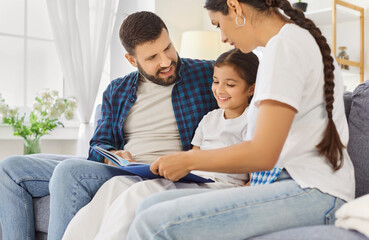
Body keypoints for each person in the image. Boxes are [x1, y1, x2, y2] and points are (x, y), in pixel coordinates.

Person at [126, 0, 355, 239]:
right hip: (294, 185)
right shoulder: (284, 44)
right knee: (148, 206)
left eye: (217, 24)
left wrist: (189, 160)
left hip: (314, 190)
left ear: (235, 7)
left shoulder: (286, 47)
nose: (223, 37)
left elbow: (263, 154)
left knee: (155, 223)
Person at [0, 11, 219, 240]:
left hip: (163, 172)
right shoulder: (117, 90)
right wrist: (113, 153)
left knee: (69, 171)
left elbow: (247, 94)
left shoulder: (208, 75)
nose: (166, 62)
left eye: (168, 48)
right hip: (124, 168)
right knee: (9, 168)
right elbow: (97, 145)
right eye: (152, 57)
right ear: (132, 60)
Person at [62, 49, 261, 240]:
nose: (219, 90)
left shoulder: (251, 120)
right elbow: (193, 160)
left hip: (222, 189)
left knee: (140, 193)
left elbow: (254, 175)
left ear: (251, 88)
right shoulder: (209, 119)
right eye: (216, 81)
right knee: (116, 184)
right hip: (196, 182)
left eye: (230, 85)